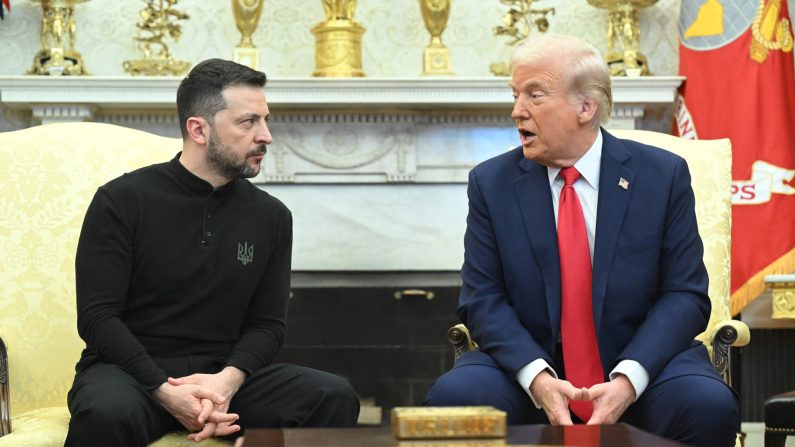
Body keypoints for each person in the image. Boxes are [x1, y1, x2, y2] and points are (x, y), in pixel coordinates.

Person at [424, 34, 739, 447]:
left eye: (534, 95)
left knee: (707, 404)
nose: (517, 110)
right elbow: (482, 297)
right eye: (515, 94)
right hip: (529, 367)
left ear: (585, 108)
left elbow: (685, 294)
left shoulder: (661, 176)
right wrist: (537, 377)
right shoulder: (491, 183)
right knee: (454, 398)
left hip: (645, 365)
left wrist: (628, 379)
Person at [65, 59, 360, 446]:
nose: (266, 136)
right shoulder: (121, 201)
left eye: (265, 120)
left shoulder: (271, 216)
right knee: (105, 411)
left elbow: (267, 324)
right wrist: (163, 390)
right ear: (198, 129)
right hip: (132, 376)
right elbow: (98, 317)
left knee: (332, 395)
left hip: (226, 378)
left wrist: (226, 382)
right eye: (248, 122)